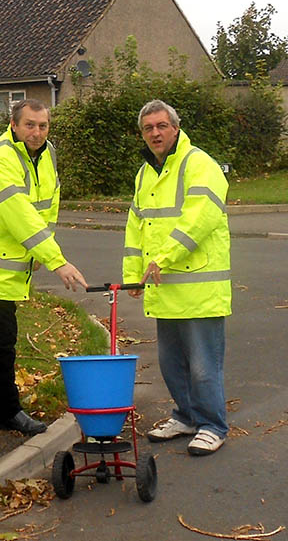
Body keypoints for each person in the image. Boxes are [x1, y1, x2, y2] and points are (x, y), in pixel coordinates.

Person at [0, 98, 88, 436]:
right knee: (1, 341)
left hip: (9, 264)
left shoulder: (46, 154)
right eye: (30, 125)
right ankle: (6, 412)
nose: (37, 132)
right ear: (13, 125)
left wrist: (39, 254)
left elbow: (48, 204)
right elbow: (21, 216)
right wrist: (58, 261)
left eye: (43, 126)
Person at [123, 99, 232, 456]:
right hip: (164, 285)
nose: (155, 133)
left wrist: (163, 259)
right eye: (148, 128)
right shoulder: (145, 173)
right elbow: (136, 226)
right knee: (172, 364)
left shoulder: (200, 164)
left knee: (203, 365)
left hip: (198, 285)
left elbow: (199, 219)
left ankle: (212, 425)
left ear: (176, 127)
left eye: (161, 126)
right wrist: (132, 276)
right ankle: (185, 416)